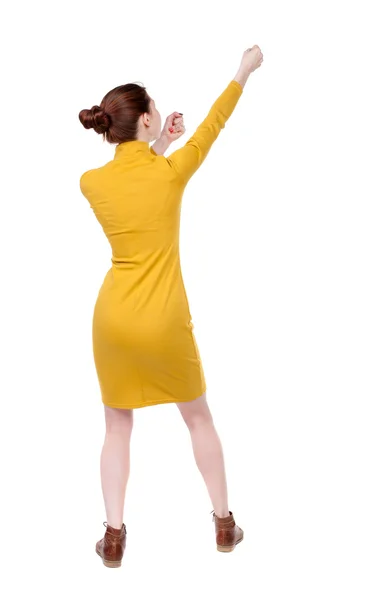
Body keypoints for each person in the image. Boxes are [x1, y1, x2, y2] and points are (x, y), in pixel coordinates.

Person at [78, 44, 263, 568]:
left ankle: (113, 537)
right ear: (145, 118)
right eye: (154, 108)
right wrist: (242, 71)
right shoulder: (171, 172)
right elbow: (214, 125)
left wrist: (156, 144)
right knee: (199, 418)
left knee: (117, 426)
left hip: (112, 320)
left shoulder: (92, 183)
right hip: (164, 320)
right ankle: (225, 525)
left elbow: (131, 183)